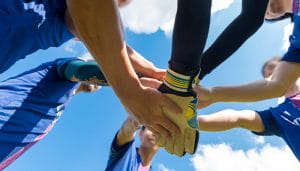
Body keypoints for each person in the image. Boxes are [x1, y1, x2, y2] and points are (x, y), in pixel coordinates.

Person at [0, 0, 183, 150]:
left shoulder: (69, 21)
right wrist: (131, 91)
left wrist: (149, 72)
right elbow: (91, 11)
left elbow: (99, 30)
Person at [0, 57, 105, 170]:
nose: (99, 85)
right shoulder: (67, 65)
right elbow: (81, 70)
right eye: (103, 68)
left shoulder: (62, 102)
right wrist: (118, 76)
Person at [195, 57, 300, 161]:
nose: (274, 77)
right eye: (269, 76)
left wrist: (213, 95)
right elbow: (239, 118)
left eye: (277, 69)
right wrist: (189, 122)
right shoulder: (277, 116)